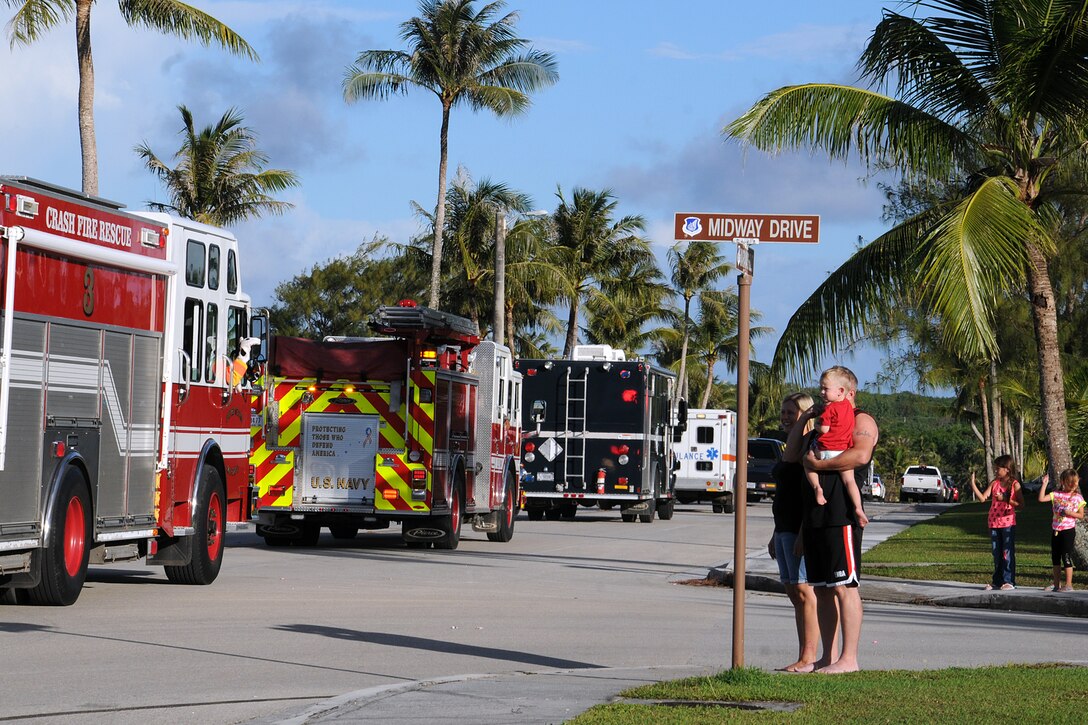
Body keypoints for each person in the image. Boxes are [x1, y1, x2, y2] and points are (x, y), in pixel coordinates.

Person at [800, 366, 875, 674]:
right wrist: (807, 419)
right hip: (817, 513)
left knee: (845, 585)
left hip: (842, 512)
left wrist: (819, 463)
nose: (823, 393)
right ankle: (827, 658)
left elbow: (859, 456)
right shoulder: (822, 421)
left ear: (848, 392)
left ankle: (849, 659)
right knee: (822, 587)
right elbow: (795, 456)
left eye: (828, 388)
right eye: (822, 388)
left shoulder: (862, 420)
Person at [767, 392, 819, 672]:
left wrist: (802, 532)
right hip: (783, 527)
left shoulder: (809, 447)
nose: (785, 417)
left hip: (799, 527)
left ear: (806, 415)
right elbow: (784, 495)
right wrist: (775, 533)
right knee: (793, 592)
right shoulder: (792, 445)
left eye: (792, 413)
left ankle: (808, 657)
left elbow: (807, 495)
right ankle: (803, 654)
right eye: (784, 412)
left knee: (804, 591)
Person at [968, 455, 1023, 591]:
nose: (996, 471)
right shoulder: (994, 483)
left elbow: (1021, 504)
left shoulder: (1015, 484)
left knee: (1007, 552)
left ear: (1007, 469)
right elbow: (982, 498)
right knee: (996, 552)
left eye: (998, 468)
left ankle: (1009, 580)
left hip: (1008, 523)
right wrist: (973, 484)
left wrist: (1006, 499)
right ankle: (997, 581)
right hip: (993, 522)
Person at [805, 368, 857, 508]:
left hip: (825, 450)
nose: (821, 392)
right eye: (821, 388)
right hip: (843, 451)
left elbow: (824, 429)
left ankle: (817, 487)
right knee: (850, 481)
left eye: (825, 389)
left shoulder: (829, 408)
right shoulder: (847, 406)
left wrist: (816, 424)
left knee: (808, 461)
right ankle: (857, 507)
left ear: (840, 391)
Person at [1038, 469, 1086, 592]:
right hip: (1056, 530)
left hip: (1068, 531)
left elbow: (1081, 515)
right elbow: (1041, 499)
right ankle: (1056, 584)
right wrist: (1044, 484)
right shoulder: (1056, 494)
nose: (1072, 485)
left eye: (1075, 483)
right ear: (1063, 481)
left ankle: (1069, 585)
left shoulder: (1078, 498)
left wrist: (1070, 513)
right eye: (1070, 482)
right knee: (1055, 557)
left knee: (1066, 556)